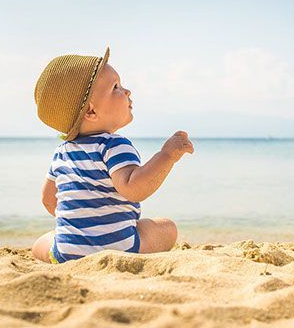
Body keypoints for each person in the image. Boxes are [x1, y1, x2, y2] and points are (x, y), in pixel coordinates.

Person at [31, 47, 194, 264]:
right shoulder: (114, 144)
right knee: (166, 228)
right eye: (116, 87)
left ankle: (65, 249)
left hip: (68, 252)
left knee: (42, 243)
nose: (127, 91)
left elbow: (49, 199)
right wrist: (166, 156)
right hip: (120, 249)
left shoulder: (62, 152)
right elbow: (134, 188)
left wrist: (82, 225)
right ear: (90, 111)